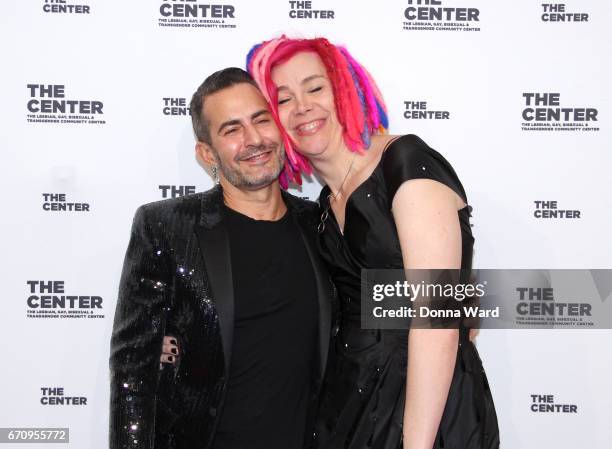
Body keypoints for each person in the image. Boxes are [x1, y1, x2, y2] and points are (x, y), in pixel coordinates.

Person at [244, 36, 500, 449]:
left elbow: (438, 323)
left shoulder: (405, 165)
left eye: (315, 87)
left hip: (426, 409)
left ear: (345, 89)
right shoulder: (324, 204)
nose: (302, 107)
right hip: (348, 406)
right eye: (284, 99)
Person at [109, 67, 334, 449]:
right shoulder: (165, 226)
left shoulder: (322, 223)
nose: (254, 139)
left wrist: (456, 310)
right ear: (206, 153)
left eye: (261, 120)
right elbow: (133, 368)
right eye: (231, 130)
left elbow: (384, 300)